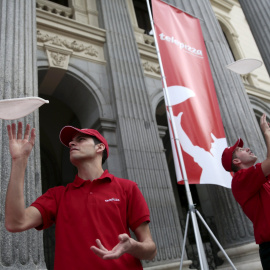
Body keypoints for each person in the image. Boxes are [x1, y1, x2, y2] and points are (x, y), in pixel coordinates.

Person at [5, 122, 157, 270]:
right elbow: (15, 223)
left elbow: (150, 250)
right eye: (71, 141)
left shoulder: (127, 188)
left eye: (81, 139)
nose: (71, 143)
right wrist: (19, 161)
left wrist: (132, 246)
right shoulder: (57, 196)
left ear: (100, 147)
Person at [221, 113, 270, 270]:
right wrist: (266, 132)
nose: (248, 148)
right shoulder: (240, 180)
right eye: (241, 149)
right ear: (236, 161)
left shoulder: (258, 179)